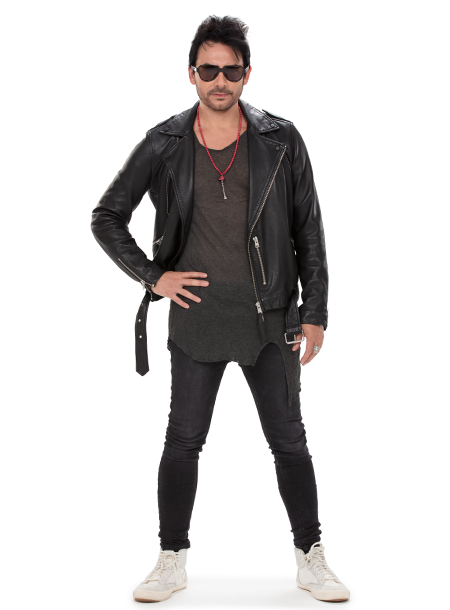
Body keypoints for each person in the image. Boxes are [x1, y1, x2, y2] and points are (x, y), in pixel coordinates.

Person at [91, 14, 349, 604]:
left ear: (247, 74)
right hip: (197, 320)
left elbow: (309, 229)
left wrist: (315, 311)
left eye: (231, 71)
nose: (220, 81)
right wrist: (154, 277)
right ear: (191, 74)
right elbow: (106, 216)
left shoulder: (282, 139)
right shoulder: (164, 143)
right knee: (183, 440)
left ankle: (311, 556)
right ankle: (170, 559)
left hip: (272, 318)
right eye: (209, 70)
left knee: (289, 441)